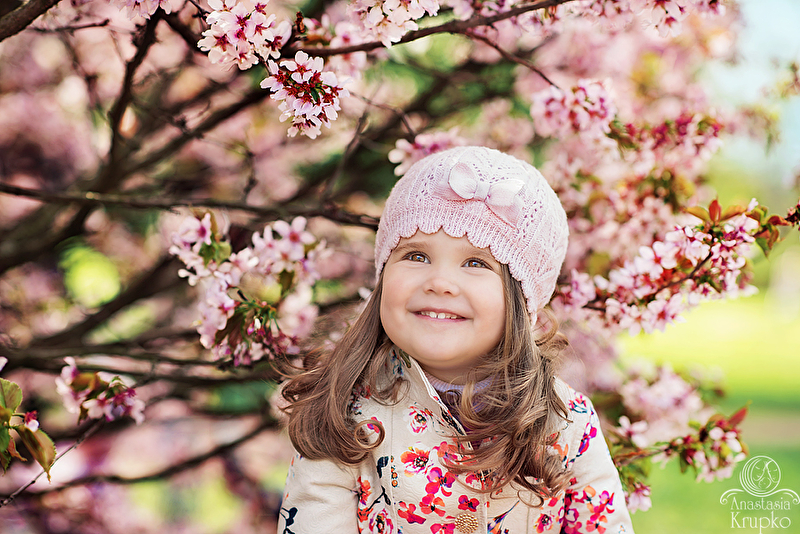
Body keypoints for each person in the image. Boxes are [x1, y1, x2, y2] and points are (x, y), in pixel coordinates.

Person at [278, 146, 634, 533]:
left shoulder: (567, 422)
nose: (440, 283)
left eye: (476, 263)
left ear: (522, 301)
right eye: (416, 256)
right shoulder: (344, 411)